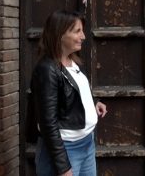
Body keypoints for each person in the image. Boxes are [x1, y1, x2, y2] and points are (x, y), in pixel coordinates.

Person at [31, 10, 108, 176]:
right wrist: (63, 166)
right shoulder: (47, 69)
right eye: (77, 31)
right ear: (60, 34)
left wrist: (93, 104)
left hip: (87, 143)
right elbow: (47, 123)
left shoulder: (72, 61)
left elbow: (72, 92)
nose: (83, 37)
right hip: (66, 149)